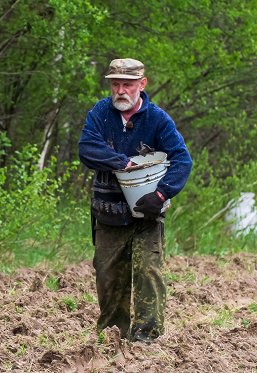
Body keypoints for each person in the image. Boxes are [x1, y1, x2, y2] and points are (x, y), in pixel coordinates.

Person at [78, 58, 192, 343]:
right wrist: (122, 162)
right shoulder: (100, 114)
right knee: (107, 275)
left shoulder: (157, 119)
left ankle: (146, 340)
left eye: (127, 84)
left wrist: (162, 194)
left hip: (147, 215)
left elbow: (182, 160)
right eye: (115, 84)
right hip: (108, 213)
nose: (120, 90)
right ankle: (113, 336)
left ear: (142, 84)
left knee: (148, 273)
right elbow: (87, 149)